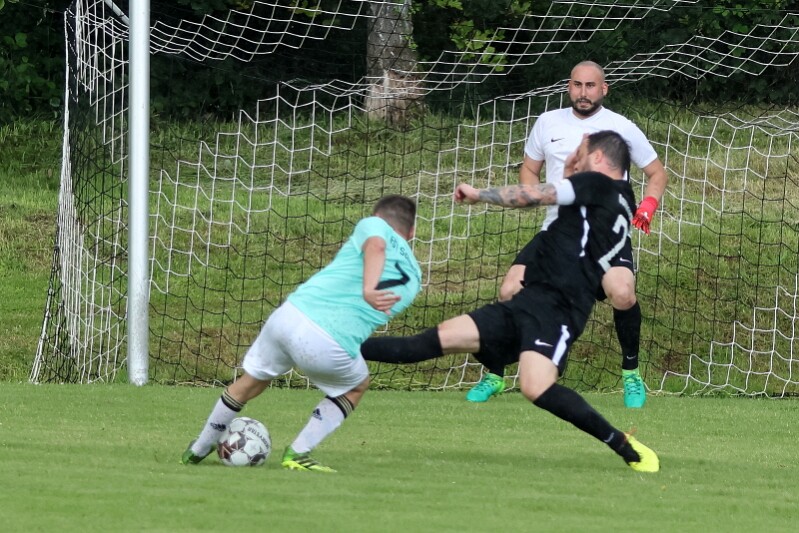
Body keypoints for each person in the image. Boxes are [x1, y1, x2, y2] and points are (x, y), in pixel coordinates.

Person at [362, 131, 660, 472]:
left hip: (558, 311)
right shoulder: (620, 197)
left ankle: (622, 444)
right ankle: (339, 345)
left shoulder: (597, 184)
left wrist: (479, 194)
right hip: (526, 301)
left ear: (597, 158)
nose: (575, 159)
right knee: (428, 343)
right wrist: (569, 170)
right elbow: (569, 217)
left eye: (580, 152)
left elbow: (534, 194)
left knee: (536, 387)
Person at [465, 60, 668, 407]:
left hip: (606, 235)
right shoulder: (548, 122)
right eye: (577, 85)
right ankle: (495, 375)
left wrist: (647, 205)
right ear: (568, 87)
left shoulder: (622, 127)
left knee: (622, 293)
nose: (583, 92)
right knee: (510, 290)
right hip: (559, 231)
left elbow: (657, 173)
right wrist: (533, 195)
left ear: (603, 89)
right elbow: (529, 168)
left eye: (590, 86)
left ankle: (631, 375)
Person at [181, 195, 422, 473]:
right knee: (356, 385)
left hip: (288, 316)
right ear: (412, 232)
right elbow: (378, 251)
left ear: (378, 216)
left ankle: (199, 448)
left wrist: (368, 286)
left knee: (252, 381)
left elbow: (377, 245)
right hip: (327, 342)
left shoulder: (373, 224)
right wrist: (369, 290)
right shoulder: (415, 277)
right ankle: (298, 452)